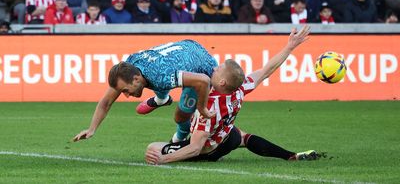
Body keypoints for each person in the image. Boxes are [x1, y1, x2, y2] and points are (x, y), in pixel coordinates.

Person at [144, 26, 320, 164]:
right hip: (230, 137)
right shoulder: (241, 87)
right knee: (243, 137)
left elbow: (195, 148)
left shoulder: (209, 105)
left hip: (209, 149)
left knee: (153, 148)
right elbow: (266, 70)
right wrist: (289, 47)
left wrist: (163, 159)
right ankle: (290, 156)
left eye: (218, 69)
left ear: (222, 82)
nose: (214, 68)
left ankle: (207, 154)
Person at [73, 40, 218, 143]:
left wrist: (202, 108)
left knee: (181, 116)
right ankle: (162, 99)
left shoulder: (161, 76)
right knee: (155, 80)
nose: (127, 95)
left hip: (203, 68)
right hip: (184, 49)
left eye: (125, 91)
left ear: (135, 79)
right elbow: (106, 102)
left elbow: (203, 80)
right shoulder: (129, 65)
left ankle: (177, 141)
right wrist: (92, 129)